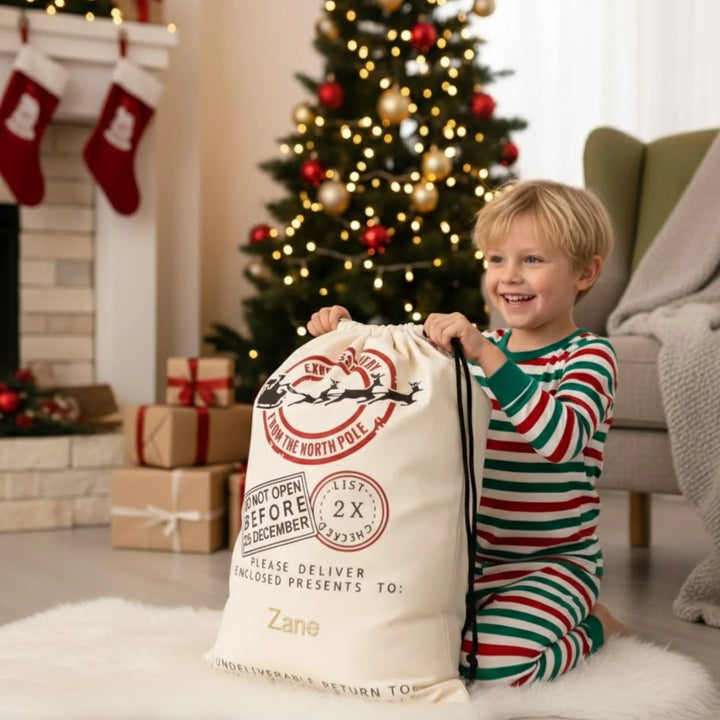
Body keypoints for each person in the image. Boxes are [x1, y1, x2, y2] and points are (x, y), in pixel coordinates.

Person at [307, 179, 629, 687]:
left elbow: (561, 441)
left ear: (586, 272)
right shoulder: (479, 349)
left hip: (552, 563)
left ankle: (597, 626)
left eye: (532, 260)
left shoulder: (588, 355)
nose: (509, 277)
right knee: (389, 644)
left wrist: (488, 355)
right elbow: (398, 372)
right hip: (466, 561)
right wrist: (345, 336)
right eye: (497, 259)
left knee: (489, 665)